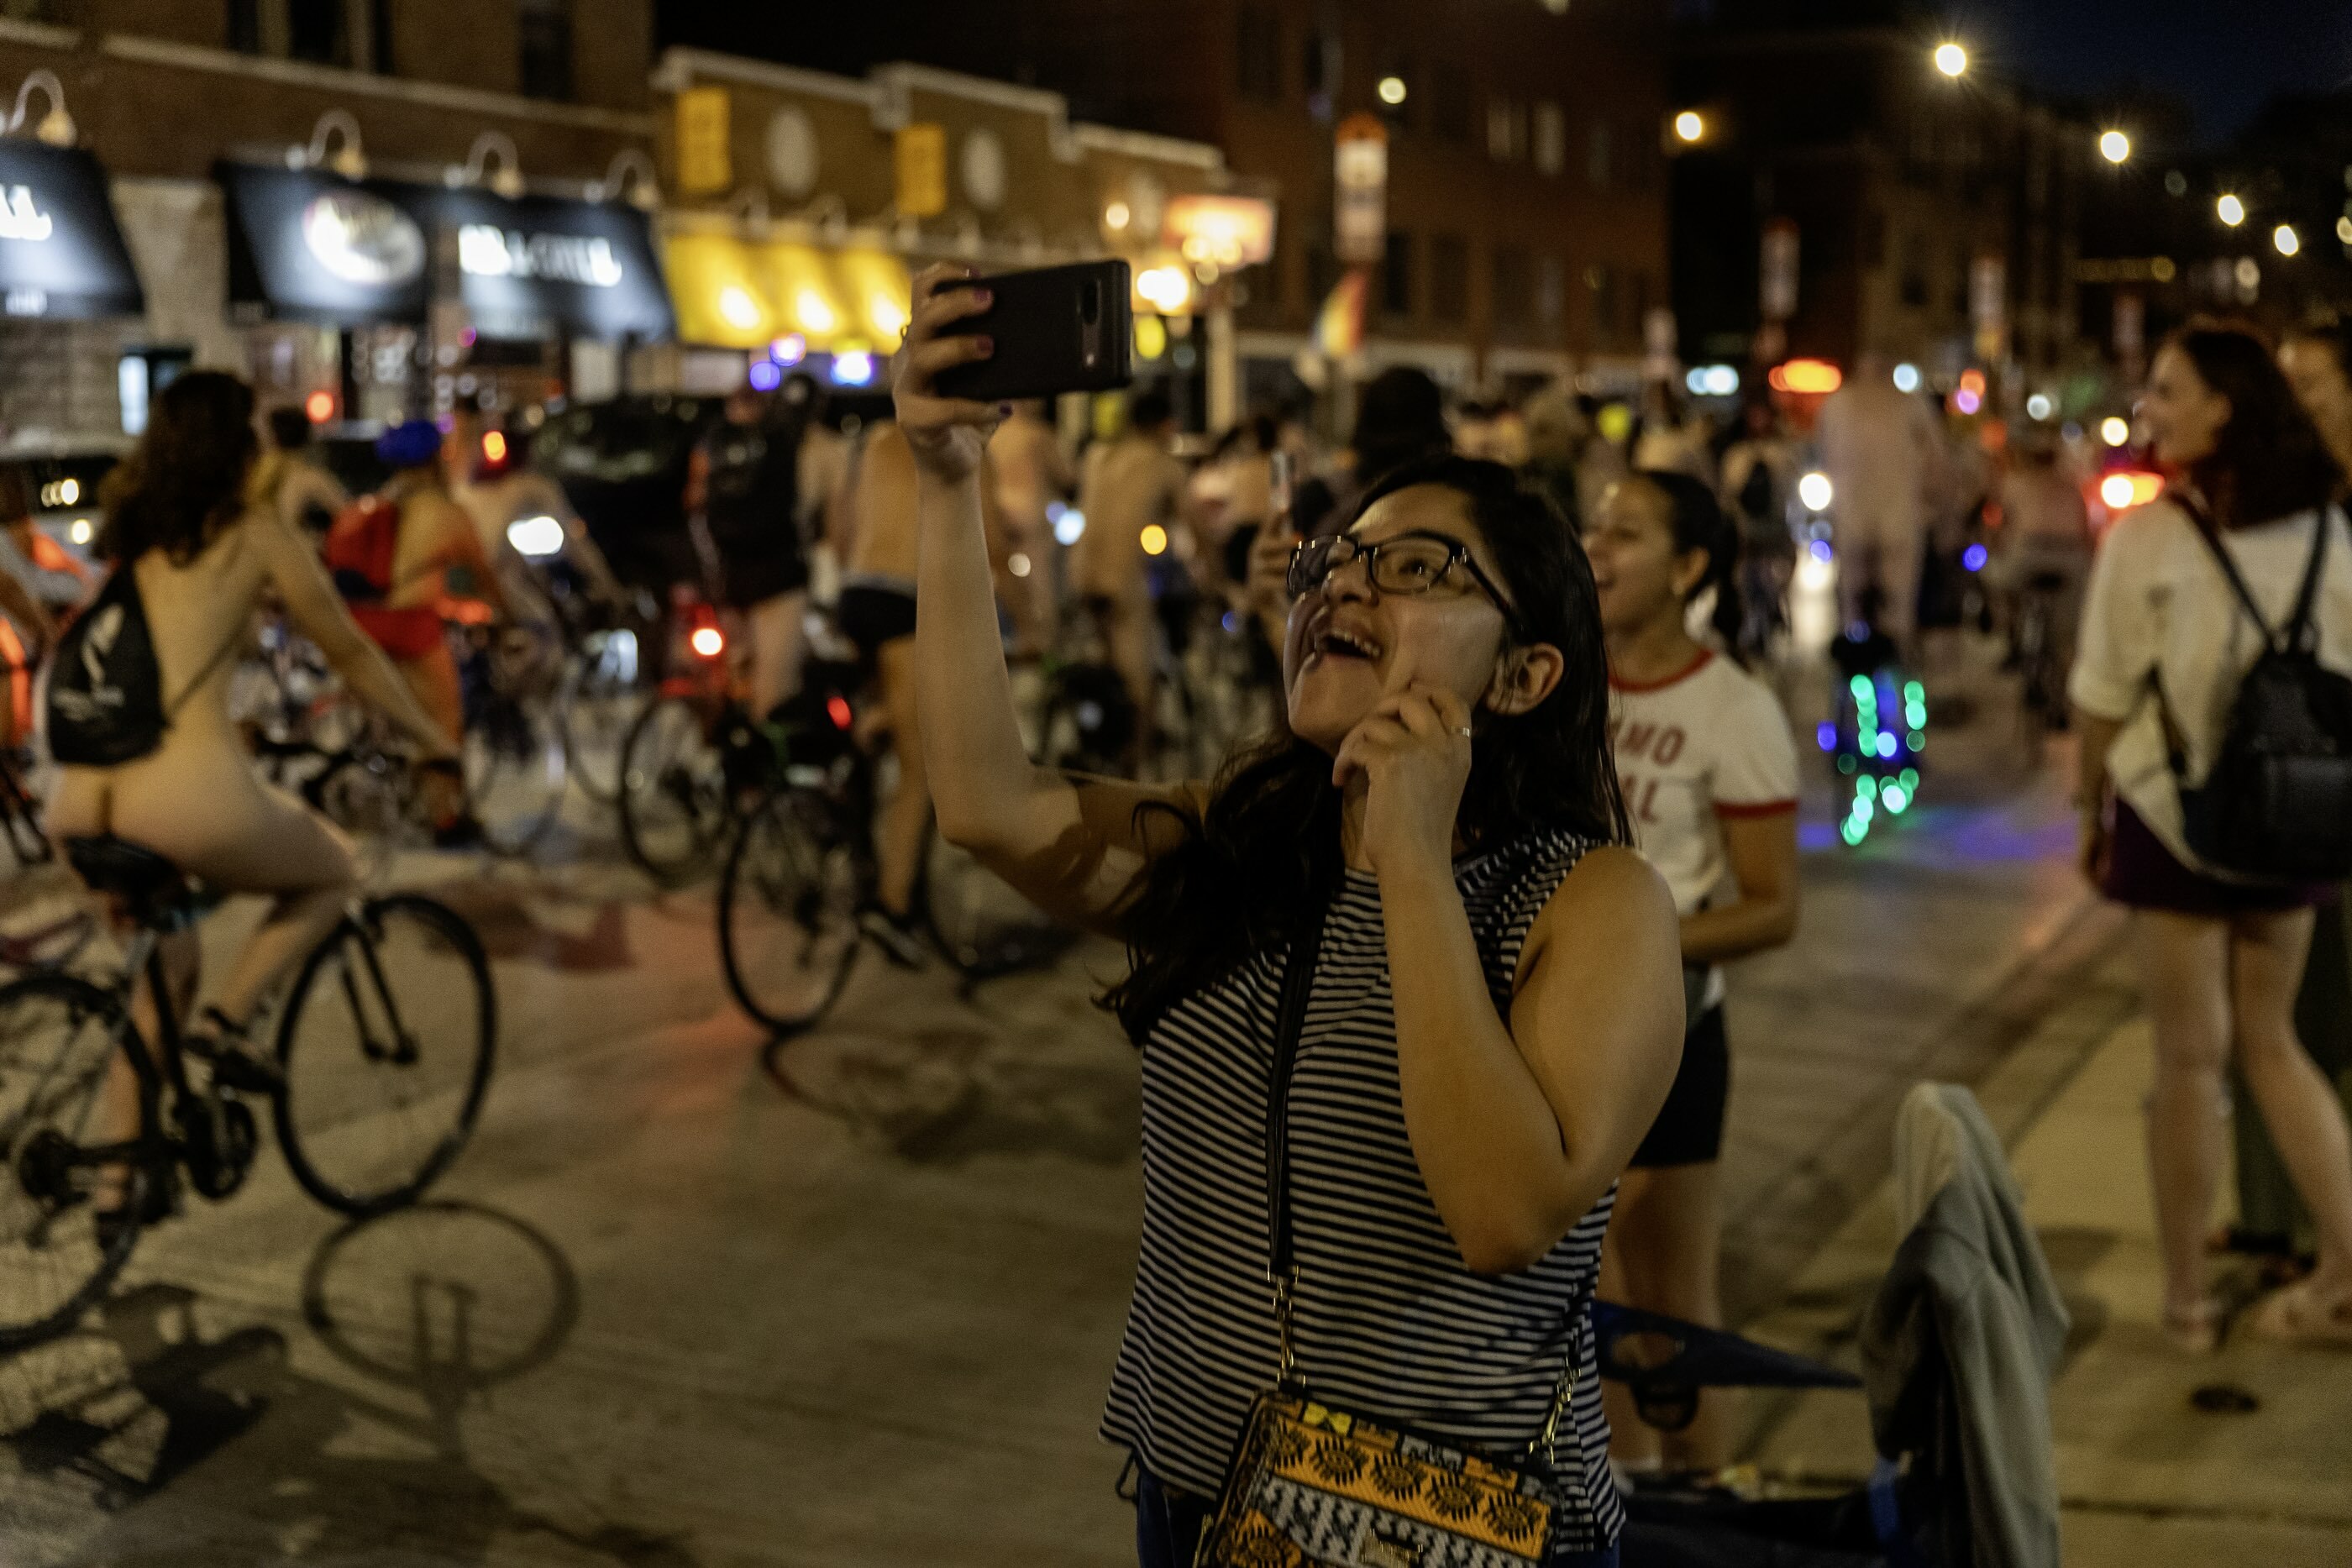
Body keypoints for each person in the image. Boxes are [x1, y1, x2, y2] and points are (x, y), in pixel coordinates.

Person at [897, 263, 1683, 1568]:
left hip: (1443, 1525)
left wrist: (1413, 861)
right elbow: (983, 799)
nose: (1341, 587)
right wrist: (943, 481)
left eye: (1415, 565)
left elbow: (1502, 1212)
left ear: (1528, 673)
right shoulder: (1244, 844)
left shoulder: (1594, 902)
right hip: (1205, 1498)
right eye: (1337, 561)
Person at [46, 373, 458, 1177]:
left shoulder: (130, 541)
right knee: (333, 869)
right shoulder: (255, 532)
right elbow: (346, 651)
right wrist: (430, 736)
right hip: (177, 804)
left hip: (75, 803)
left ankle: (114, 1182)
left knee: (165, 977)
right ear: (239, 448)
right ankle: (230, 1027)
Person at [2070, 324, 2352, 1350]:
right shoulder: (2327, 531)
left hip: (2170, 819)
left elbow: (2100, 700)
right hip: (2297, 818)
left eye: (2168, 391)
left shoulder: (2149, 536)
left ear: (2223, 407)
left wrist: (2086, 813)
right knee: (2274, 1047)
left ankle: (2187, 1305)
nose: (2150, 408)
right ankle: (2347, 1268)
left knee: (2188, 1062)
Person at [1583, 471, 1801, 1473]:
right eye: (1593, 525)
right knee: (1585, 1291)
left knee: (1672, 1305)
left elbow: (1771, 906)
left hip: (1671, 1033)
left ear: (1689, 568)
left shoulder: (1734, 710)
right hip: (1554, 1029)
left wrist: (1635, 939)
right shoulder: (1555, 681)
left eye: (1624, 534)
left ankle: (1707, 1507)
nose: (1596, 547)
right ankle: (1621, 1504)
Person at [333, 419, 516, 751]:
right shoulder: (446, 513)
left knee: (384, 723)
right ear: (435, 460)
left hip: (360, 621)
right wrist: (511, 617)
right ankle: (443, 797)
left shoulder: (373, 504)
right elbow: (486, 575)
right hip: (410, 627)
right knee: (445, 733)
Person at [834, 419, 936, 968]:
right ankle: (892, 907)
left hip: (856, 591)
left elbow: (842, 523)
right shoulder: (960, 431)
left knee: (885, 721)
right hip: (903, 598)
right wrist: (1034, 620)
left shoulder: (873, 439)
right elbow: (990, 535)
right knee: (921, 770)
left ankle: (848, 815)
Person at [1069, 388, 1187, 762]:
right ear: (1165, 425)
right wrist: (1216, 577)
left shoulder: (1100, 456)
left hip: (1081, 576)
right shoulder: (1161, 463)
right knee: (1139, 681)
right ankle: (1134, 772)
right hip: (1122, 579)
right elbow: (1196, 527)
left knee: (1105, 668)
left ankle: (1100, 753)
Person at [685, 381, 811, 720]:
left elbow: (696, 501)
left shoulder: (767, 445)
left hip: (761, 583)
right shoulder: (727, 443)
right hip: (745, 584)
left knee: (763, 697)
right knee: (744, 694)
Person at [1815, 350, 1944, 645]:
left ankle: (1854, 655)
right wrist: (1935, 507)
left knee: (1852, 599)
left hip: (1852, 520)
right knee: (1898, 605)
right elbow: (1938, 463)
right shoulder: (1912, 405)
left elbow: (1823, 457)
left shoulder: (1836, 404)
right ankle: (1896, 658)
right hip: (1900, 521)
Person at [1993, 435, 2092, 684]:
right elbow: (2086, 530)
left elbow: (2001, 526)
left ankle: (2013, 640)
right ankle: (2067, 687)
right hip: (2072, 558)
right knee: (2069, 634)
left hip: (2029, 554)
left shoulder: (2015, 482)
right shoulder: (2073, 484)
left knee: (1997, 583)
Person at [989, 397, 1074, 657]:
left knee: (1002, 583)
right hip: (1029, 518)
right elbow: (1067, 476)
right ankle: (1044, 652)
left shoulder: (993, 436)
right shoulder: (1038, 434)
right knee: (1041, 588)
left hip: (997, 516)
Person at [254, 406, 349, 538]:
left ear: (274, 438)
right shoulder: (310, 477)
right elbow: (347, 514)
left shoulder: (256, 477)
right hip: (296, 552)